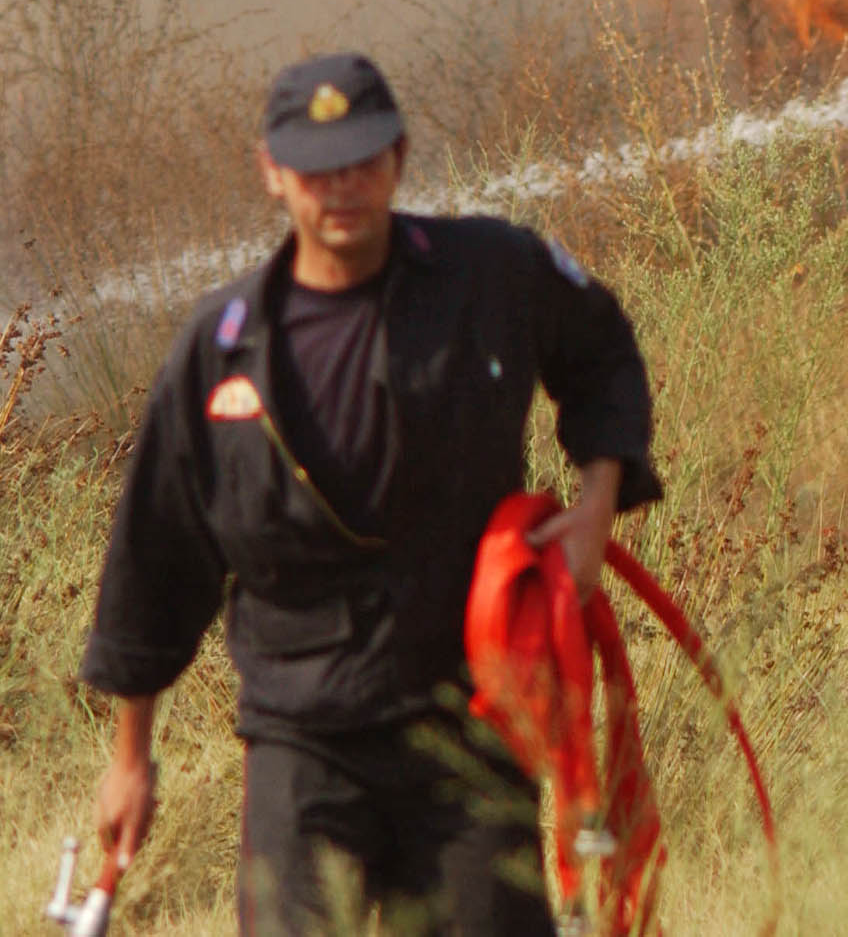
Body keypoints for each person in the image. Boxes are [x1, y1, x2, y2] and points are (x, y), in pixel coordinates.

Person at [79, 52, 661, 935]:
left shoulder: (490, 273)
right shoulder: (221, 346)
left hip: (465, 719)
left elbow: (602, 348)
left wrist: (595, 502)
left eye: (362, 161)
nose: (341, 187)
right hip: (302, 738)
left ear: (399, 158)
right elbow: (156, 557)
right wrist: (131, 758)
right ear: (272, 172)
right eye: (317, 168)